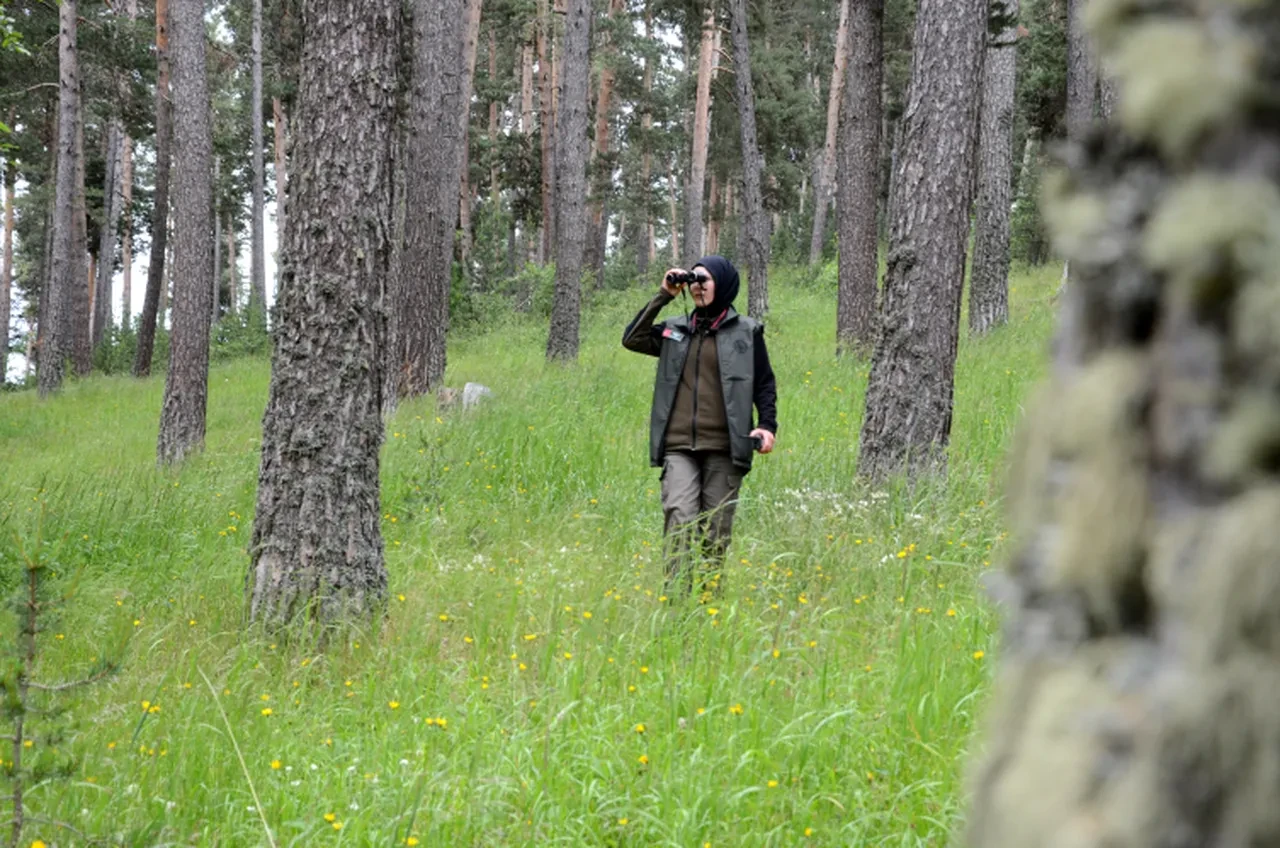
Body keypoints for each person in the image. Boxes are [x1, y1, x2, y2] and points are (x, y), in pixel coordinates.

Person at [622, 255, 778, 598]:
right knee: (679, 516)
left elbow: (764, 383)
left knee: (715, 533)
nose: (696, 286)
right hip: (679, 447)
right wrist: (664, 293)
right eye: (693, 281)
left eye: (703, 280)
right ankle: (676, 603)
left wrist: (767, 425)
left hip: (726, 447)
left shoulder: (746, 332)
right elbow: (632, 338)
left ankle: (709, 604)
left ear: (722, 284)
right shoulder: (675, 329)